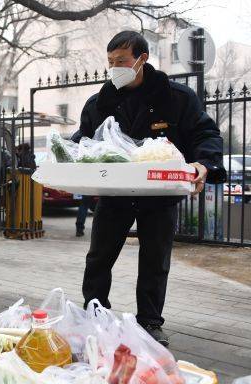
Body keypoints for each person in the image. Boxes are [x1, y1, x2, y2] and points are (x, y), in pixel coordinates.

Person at [78, 31, 225, 346]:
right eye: (111, 62)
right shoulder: (99, 103)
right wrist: (62, 159)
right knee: (98, 259)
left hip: (159, 196)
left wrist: (204, 165)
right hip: (114, 195)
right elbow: (83, 142)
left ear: (142, 59)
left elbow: (205, 133)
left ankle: (149, 324)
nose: (115, 67)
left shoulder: (176, 98)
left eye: (122, 61)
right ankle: (95, 315)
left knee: (155, 262)